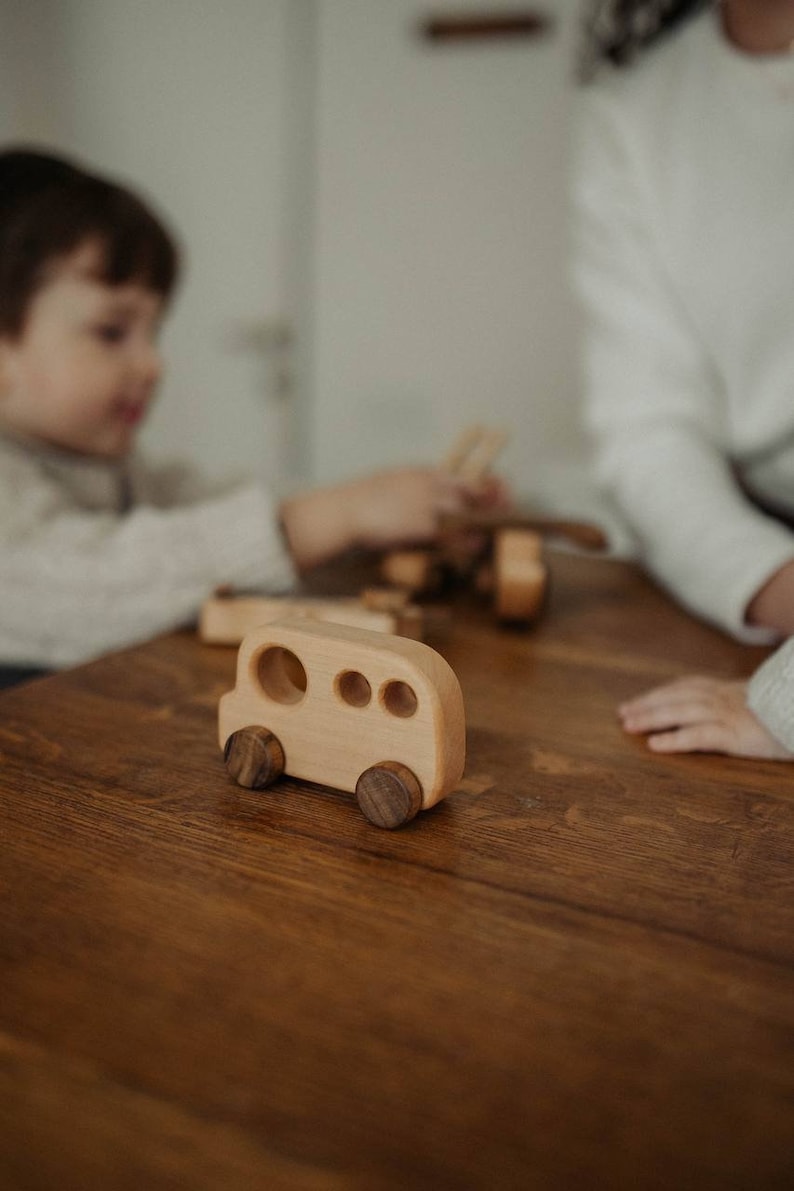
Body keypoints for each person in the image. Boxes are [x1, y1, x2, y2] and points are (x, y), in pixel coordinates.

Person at [0, 147, 502, 685]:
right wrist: (334, 516)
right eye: (112, 331)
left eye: (155, 332)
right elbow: (82, 587)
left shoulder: (113, 470)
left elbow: (215, 501)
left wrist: (384, 507)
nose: (152, 364)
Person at [572, 0, 794, 759]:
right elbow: (647, 428)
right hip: (763, 551)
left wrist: (784, 703)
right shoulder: (633, 114)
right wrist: (773, 580)